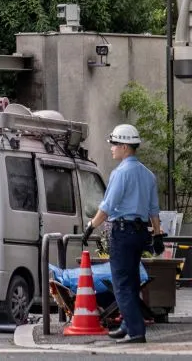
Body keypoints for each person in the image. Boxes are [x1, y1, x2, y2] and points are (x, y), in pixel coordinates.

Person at [82, 124, 164, 345]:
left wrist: (90, 226)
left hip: (122, 232)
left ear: (125, 147)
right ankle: (128, 324)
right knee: (133, 281)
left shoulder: (120, 173)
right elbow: (154, 209)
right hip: (140, 233)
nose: (112, 148)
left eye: (115, 144)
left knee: (121, 283)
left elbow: (108, 206)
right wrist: (157, 234)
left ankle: (136, 331)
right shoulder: (148, 175)